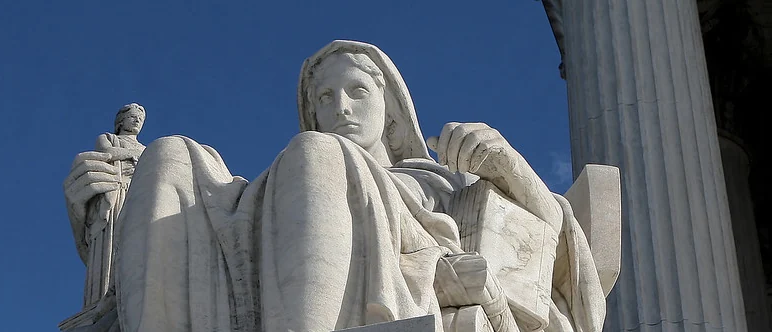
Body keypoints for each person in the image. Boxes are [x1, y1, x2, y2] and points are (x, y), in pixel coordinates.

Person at [63, 41, 604, 332]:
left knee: (316, 154)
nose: (338, 107)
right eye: (323, 98)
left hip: (413, 263)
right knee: (171, 154)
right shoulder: (284, 196)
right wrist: (101, 217)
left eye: (356, 91)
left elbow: (560, 244)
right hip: (276, 250)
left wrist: (508, 164)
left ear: (390, 109)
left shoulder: (444, 181)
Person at [65, 103, 146, 318]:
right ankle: (101, 299)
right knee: (111, 242)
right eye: (132, 117)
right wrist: (133, 156)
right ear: (121, 121)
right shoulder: (109, 138)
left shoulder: (146, 149)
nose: (137, 121)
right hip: (115, 192)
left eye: (140, 118)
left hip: (137, 196)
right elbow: (108, 152)